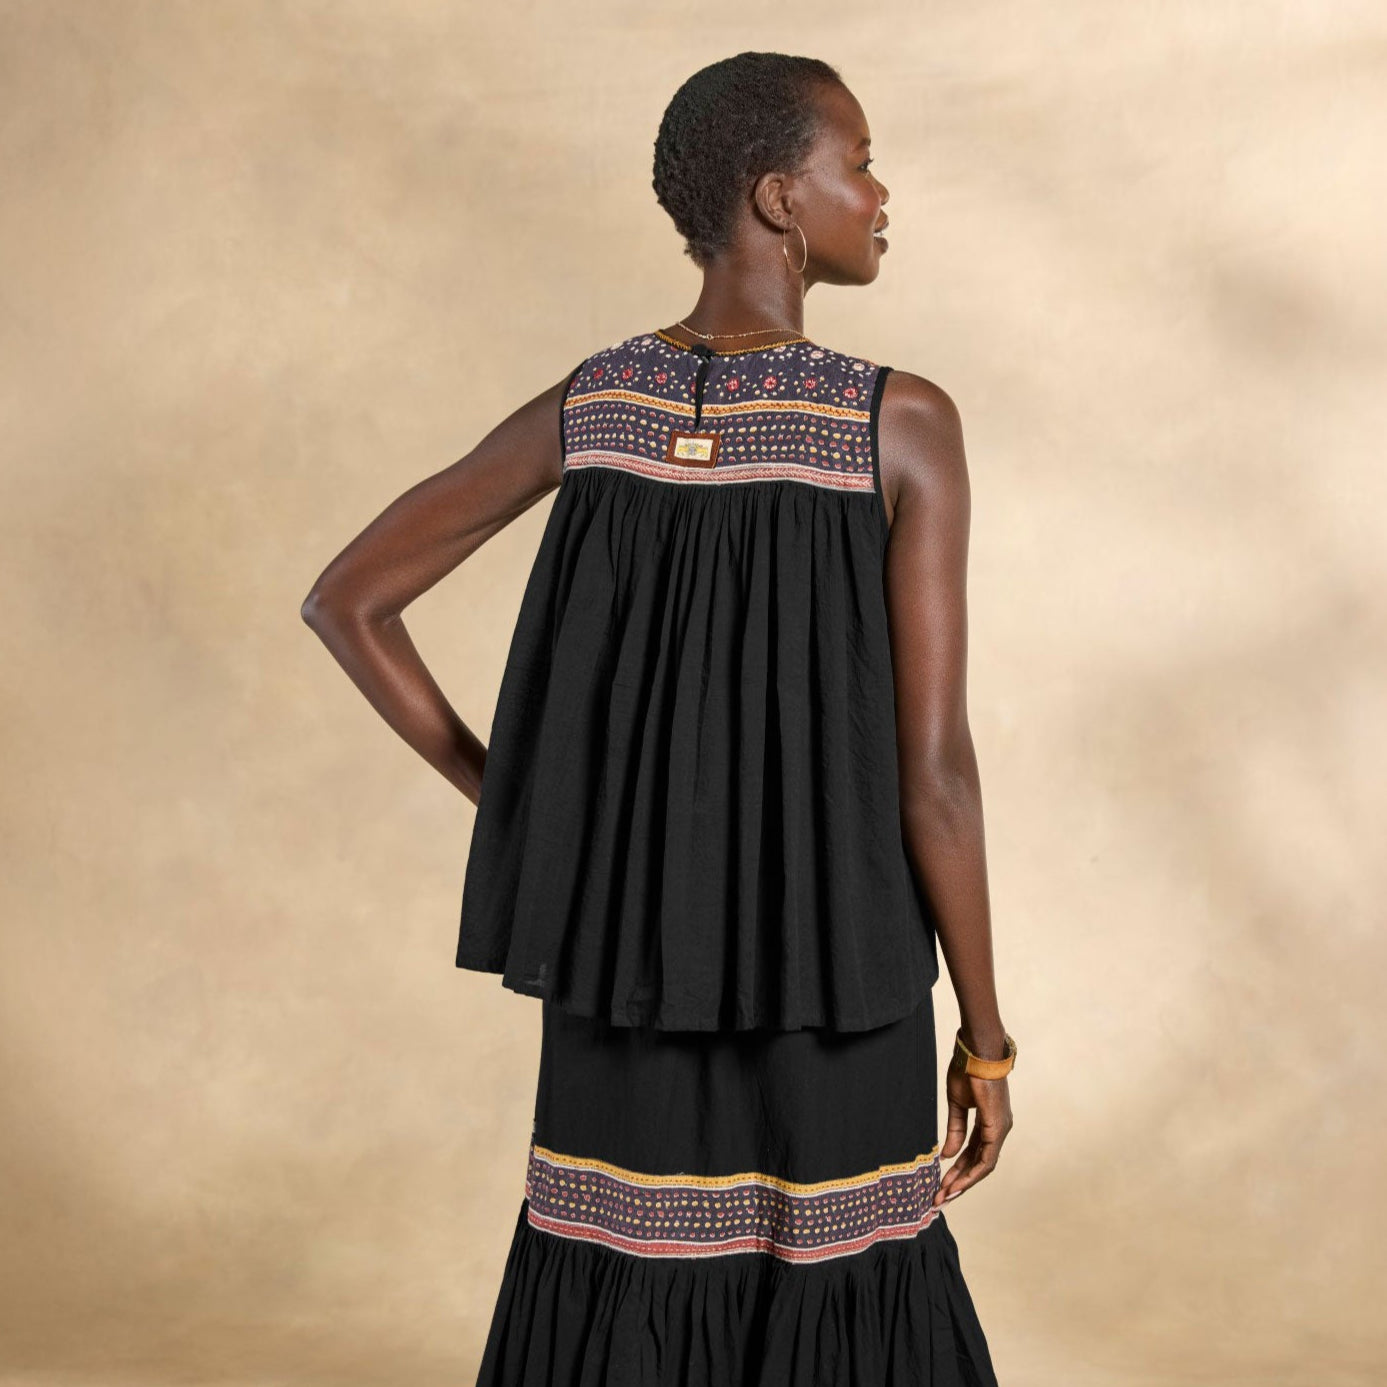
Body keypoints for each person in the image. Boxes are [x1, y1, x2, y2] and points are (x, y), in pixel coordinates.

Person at [303, 50, 1014, 1387]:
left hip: (623, 954)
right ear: (778, 198)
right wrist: (987, 1038)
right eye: (859, 163)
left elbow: (349, 602)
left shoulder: (596, 405)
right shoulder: (899, 423)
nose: (881, 193)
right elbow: (934, 776)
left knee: (619, 1290)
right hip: (841, 965)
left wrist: (530, 805)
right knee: (850, 1306)